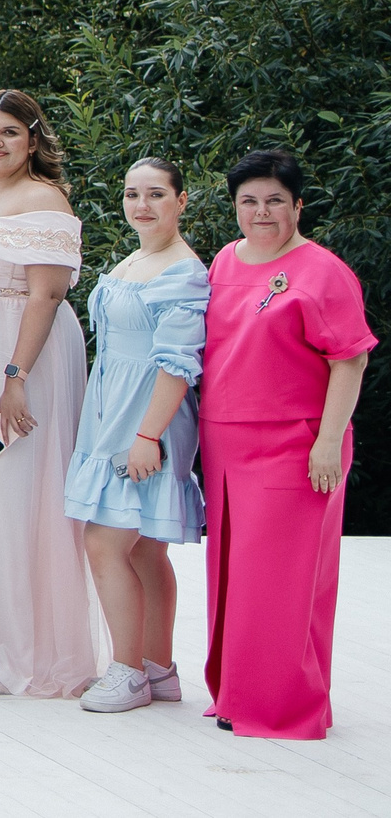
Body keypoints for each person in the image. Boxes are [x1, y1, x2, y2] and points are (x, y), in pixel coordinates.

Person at [198, 148, 373, 739]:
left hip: (296, 443)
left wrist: (328, 442)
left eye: (275, 200)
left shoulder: (324, 271)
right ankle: (236, 697)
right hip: (226, 442)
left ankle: (281, 709)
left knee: (281, 580)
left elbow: (350, 359)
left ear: (298, 206)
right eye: (249, 201)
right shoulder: (224, 259)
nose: (262, 211)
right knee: (232, 576)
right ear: (235, 208)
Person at [0, 87, 100, 698]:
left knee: (17, 486)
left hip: (22, 351)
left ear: (33, 139)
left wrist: (16, 379)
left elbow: (47, 294)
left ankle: (27, 650)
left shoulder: (44, 198)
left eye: (10, 131)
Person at [68, 157, 208, 714]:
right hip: (113, 410)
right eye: (131, 194)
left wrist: (148, 435)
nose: (141, 205)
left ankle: (125, 671)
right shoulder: (138, 258)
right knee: (145, 549)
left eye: (155, 194)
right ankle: (158, 668)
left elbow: (177, 364)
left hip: (147, 416)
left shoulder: (182, 271)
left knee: (103, 541)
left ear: (181, 200)